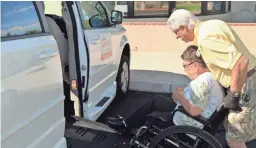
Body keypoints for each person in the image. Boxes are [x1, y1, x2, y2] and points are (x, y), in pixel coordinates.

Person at [166, 9, 256, 148]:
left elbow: (241, 62)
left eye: (177, 32)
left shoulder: (205, 38)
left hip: (245, 84)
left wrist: (234, 94)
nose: (177, 37)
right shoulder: (213, 24)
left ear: (184, 27)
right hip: (250, 79)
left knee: (235, 138)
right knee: (246, 132)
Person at [106, 45, 224, 132]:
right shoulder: (209, 77)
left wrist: (179, 96)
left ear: (195, 65)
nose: (185, 70)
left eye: (185, 66)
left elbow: (194, 111)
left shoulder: (202, 82)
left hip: (189, 124)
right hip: (192, 116)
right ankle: (126, 123)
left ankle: (127, 126)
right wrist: (182, 94)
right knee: (156, 101)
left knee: (150, 119)